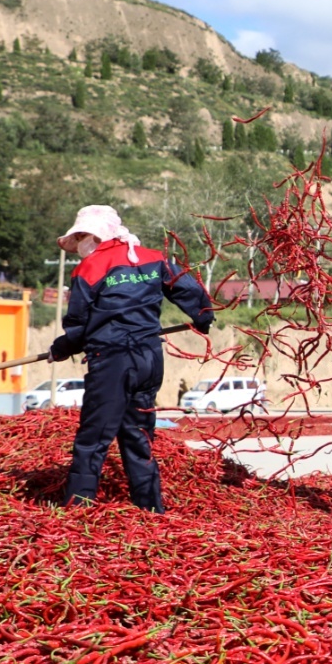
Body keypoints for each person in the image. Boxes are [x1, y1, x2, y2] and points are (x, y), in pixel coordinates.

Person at [50, 205, 214, 511]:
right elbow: (188, 288)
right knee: (139, 436)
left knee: (93, 438)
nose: (81, 243)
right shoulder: (153, 258)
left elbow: (79, 323)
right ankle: (151, 508)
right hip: (149, 358)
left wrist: (63, 347)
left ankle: (78, 508)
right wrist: (202, 317)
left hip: (113, 359)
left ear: (98, 235)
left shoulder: (90, 268)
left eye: (83, 235)